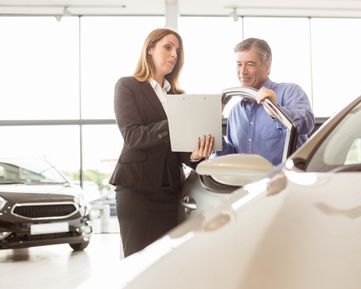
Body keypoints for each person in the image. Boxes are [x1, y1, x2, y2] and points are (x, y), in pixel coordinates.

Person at [110, 28, 214, 257]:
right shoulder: (128, 86)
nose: (174, 54)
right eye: (168, 47)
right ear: (150, 49)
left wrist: (196, 155)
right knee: (137, 264)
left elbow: (181, 152)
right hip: (137, 192)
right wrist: (176, 120)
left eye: (177, 50)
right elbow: (133, 137)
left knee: (167, 263)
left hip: (171, 193)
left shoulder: (178, 97)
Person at [216, 38, 314, 166]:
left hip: (285, 183)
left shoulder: (290, 91)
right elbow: (232, 158)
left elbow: (307, 123)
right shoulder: (235, 112)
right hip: (246, 184)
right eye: (239, 64)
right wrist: (216, 139)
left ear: (267, 66)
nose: (243, 71)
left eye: (250, 64)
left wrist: (276, 110)